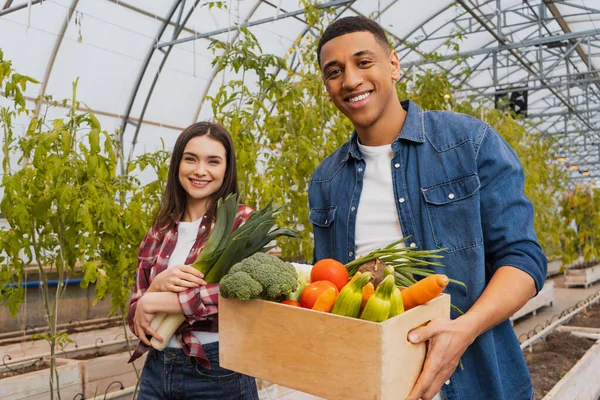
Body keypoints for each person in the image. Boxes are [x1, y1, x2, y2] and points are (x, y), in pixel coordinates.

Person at [308, 16, 546, 400]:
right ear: (327, 87)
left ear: (394, 65)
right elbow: (332, 288)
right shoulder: (325, 180)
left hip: (474, 383)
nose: (350, 80)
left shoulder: (467, 142)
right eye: (334, 71)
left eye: (363, 62)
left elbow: (523, 258)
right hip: (371, 385)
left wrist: (463, 329)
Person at [127, 122, 258, 400]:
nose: (200, 171)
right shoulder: (161, 229)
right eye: (191, 159)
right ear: (178, 164)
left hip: (217, 372)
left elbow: (238, 293)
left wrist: (157, 301)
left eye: (213, 161)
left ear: (226, 169)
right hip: (157, 368)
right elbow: (136, 314)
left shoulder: (242, 221)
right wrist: (154, 289)